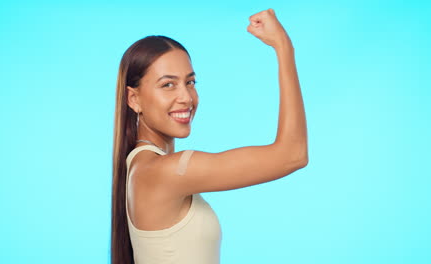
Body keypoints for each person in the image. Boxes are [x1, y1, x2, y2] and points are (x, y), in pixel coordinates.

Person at [111, 8, 308, 264]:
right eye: (168, 84)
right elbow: (292, 155)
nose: (186, 97)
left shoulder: (142, 168)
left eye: (190, 82)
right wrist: (283, 47)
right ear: (134, 98)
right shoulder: (165, 171)